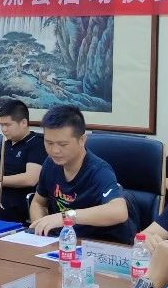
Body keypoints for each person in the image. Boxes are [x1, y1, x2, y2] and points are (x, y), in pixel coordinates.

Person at [28, 104, 133, 243]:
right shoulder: (50, 163)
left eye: (63, 144)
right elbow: (38, 203)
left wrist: (66, 217)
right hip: (62, 242)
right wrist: (41, 229)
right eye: (49, 143)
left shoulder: (98, 170)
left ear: (82, 140)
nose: (55, 151)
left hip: (98, 244)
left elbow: (119, 211)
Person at [0, 100, 46, 224]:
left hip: (19, 204)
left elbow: (31, 179)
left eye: (8, 125)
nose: (4, 129)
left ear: (23, 123)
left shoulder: (37, 144)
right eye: (1, 125)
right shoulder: (4, 144)